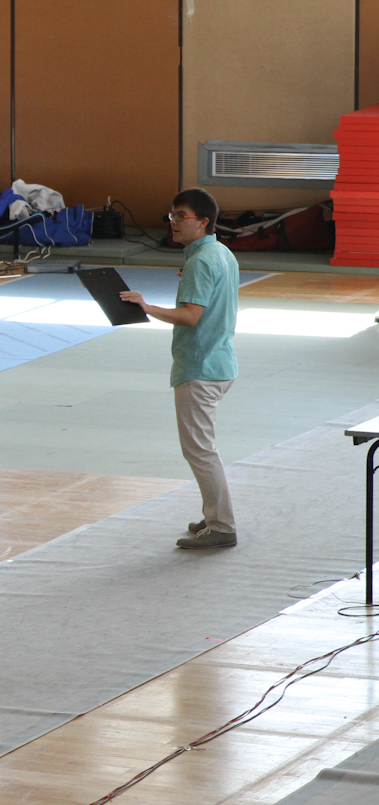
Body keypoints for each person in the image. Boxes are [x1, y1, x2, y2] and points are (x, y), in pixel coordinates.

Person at [120, 188, 240, 549]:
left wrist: (146, 307)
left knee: (199, 450)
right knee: (202, 448)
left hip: (200, 367)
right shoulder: (219, 253)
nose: (172, 222)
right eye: (171, 215)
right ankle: (213, 514)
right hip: (220, 361)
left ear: (202, 221)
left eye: (180, 216)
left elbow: (190, 316)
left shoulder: (200, 262)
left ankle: (222, 526)